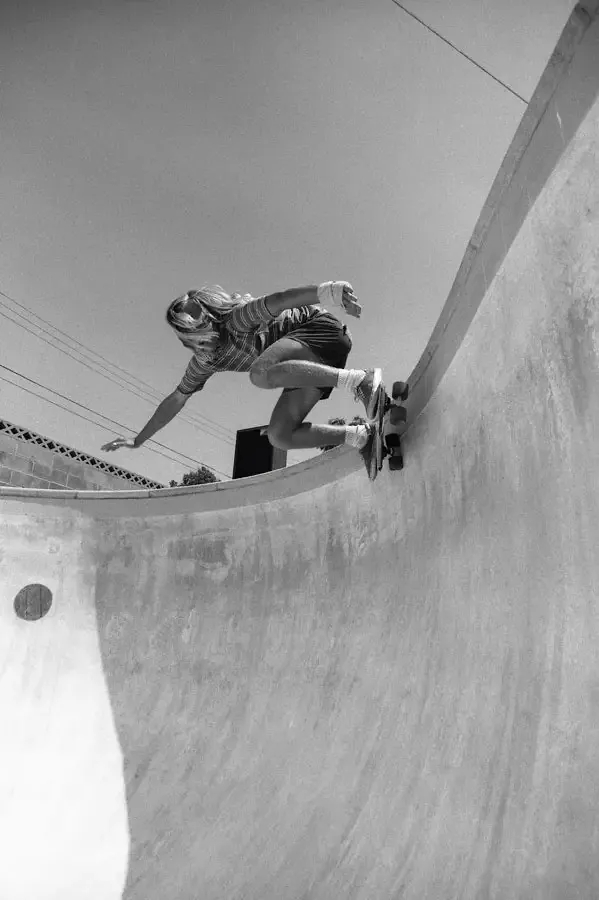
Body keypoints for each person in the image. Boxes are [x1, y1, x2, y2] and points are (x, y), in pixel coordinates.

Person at [101, 281, 385, 474]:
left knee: (259, 373)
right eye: (197, 334)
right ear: (189, 337)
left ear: (213, 314)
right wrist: (138, 440)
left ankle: (360, 381)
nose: (208, 335)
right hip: (316, 365)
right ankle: (361, 436)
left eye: (206, 322)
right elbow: (175, 400)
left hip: (320, 331)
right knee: (279, 435)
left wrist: (329, 292)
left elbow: (283, 299)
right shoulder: (205, 361)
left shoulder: (236, 319)